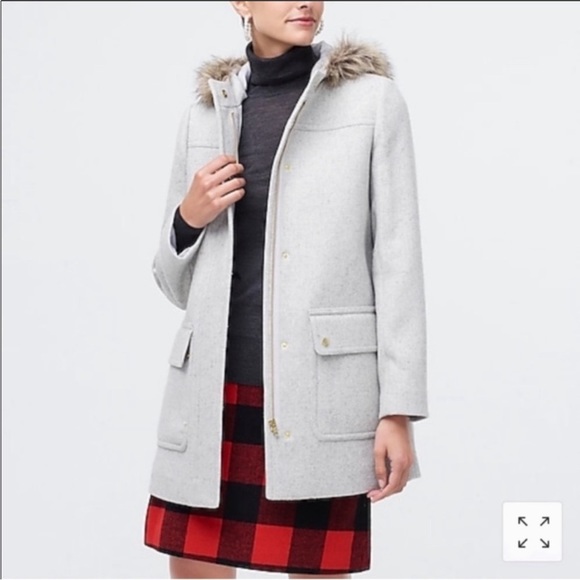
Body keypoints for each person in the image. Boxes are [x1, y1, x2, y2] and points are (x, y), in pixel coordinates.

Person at [143, 1, 429, 578]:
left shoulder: (372, 102)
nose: (305, 1)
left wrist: (398, 410)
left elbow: (398, 264)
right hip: (212, 398)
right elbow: (174, 285)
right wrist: (188, 218)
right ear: (241, 3)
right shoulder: (205, 114)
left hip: (319, 395)